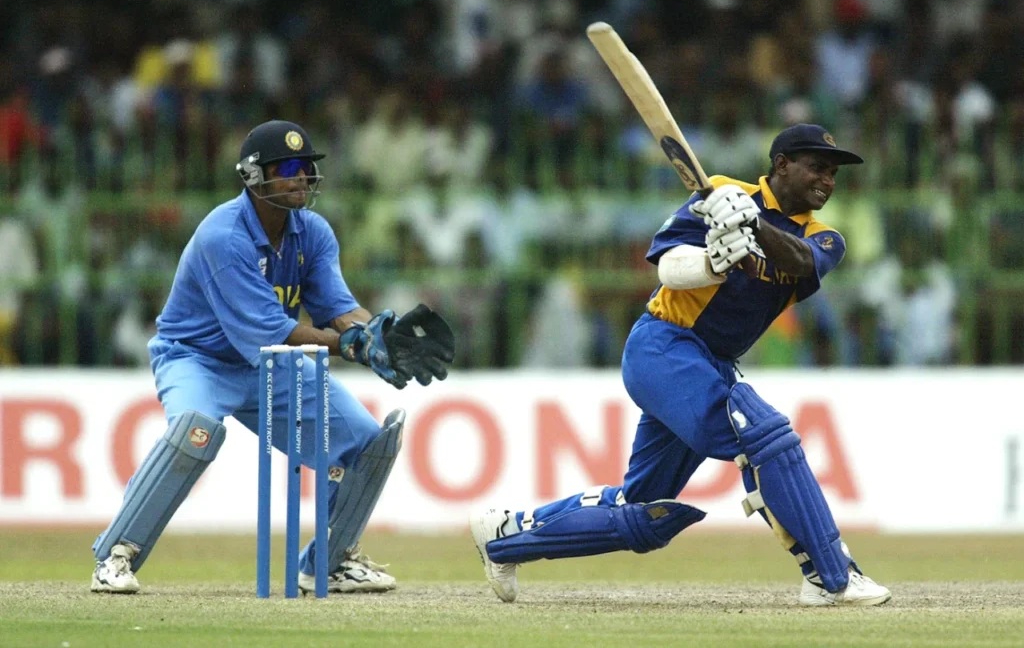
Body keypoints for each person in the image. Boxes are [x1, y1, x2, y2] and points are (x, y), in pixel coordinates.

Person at [470, 124, 891, 607]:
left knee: (642, 512)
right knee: (764, 433)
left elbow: (799, 262)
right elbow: (667, 266)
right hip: (664, 345)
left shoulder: (826, 237)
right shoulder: (722, 193)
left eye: (833, 173)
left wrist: (753, 226)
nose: (827, 181)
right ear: (781, 165)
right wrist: (714, 260)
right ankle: (830, 574)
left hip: (710, 364)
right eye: (817, 167)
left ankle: (504, 538)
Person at [91, 120, 455, 594]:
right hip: (197, 358)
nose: (301, 177)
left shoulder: (313, 232)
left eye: (306, 168)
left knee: (368, 441)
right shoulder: (223, 237)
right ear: (252, 176)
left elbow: (337, 308)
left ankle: (328, 562)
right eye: (287, 168)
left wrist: (374, 333)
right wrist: (349, 346)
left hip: (264, 363)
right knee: (196, 432)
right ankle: (117, 554)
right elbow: (272, 329)